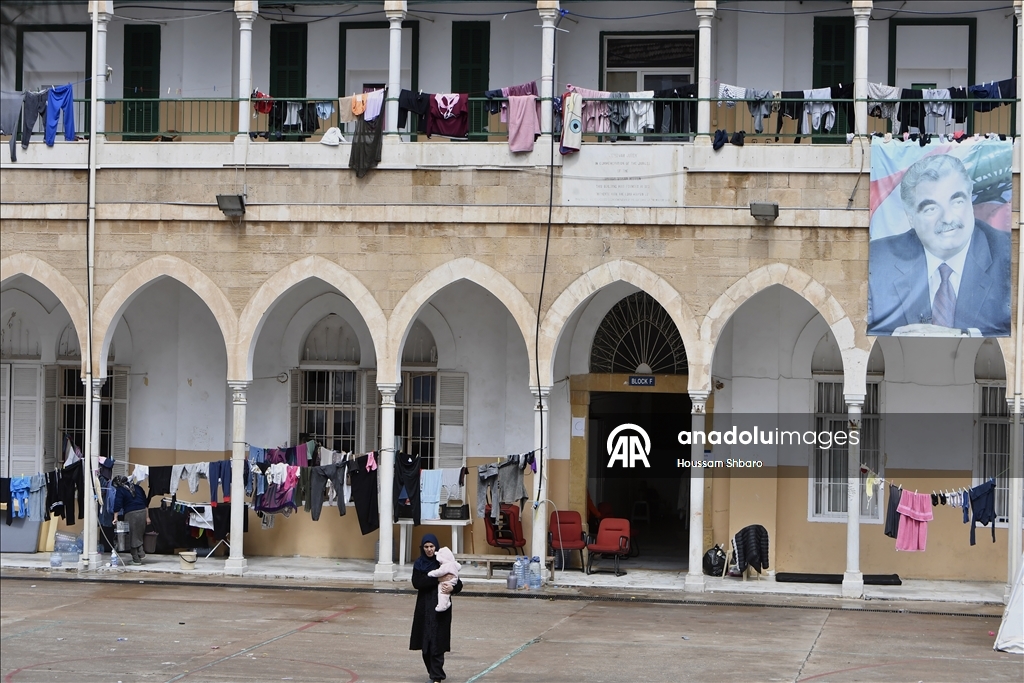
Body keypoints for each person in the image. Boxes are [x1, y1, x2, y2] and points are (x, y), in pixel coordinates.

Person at [867, 153, 1010, 336]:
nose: (948, 218)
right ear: (911, 217)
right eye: (931, 209)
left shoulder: (1004, 254)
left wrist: (962, 334)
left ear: (969, 197)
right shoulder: (880, 263)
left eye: (957, 201)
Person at [410, 533, 463, 682]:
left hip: (441, 609)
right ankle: (432, 673)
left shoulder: (443, 562)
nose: (429, 550)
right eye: (426, 547)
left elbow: (458, 582)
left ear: (436, 547)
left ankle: (437, 676)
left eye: (432, 546)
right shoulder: (419, 564)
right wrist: (438, 579)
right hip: (424, 608)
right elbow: (417, 583)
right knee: (425, 644)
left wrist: (452, 589)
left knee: (437, 643)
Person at [111, 476, 150, 565]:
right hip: (143, 512)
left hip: (131, 514)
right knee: (138, 534)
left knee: (132, 536)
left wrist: (115, 518)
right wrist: (147, 517)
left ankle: (136, 559)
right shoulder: (138, 488)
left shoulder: (120, 490)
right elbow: (145, 503)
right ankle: (141, 553)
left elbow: (117, 504)